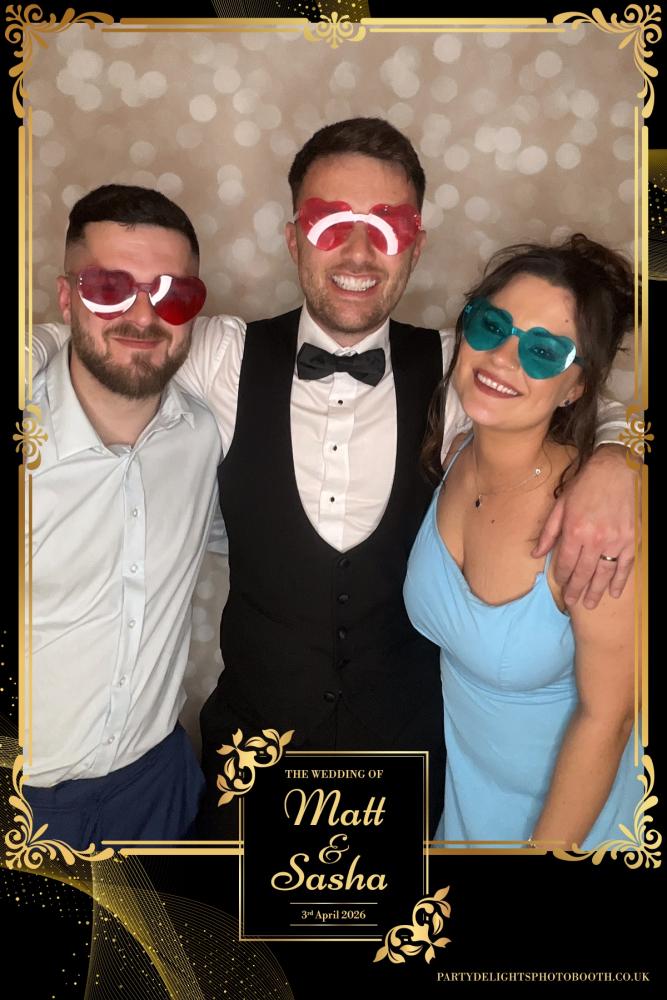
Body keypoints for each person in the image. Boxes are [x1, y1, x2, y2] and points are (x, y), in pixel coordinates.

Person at [32, 120, 636, 840]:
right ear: (294, 239)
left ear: (415, 246)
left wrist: (616, 463)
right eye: (327, 223)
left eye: (387, 227)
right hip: (251, 767)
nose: (357, 252)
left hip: (413, 770)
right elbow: (95, 338)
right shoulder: (218, 354)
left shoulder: (467, 367)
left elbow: (576, 392)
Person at [404, 235, 639, 847]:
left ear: (576, 387)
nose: (503, 357)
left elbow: (610, 719)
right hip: (467, 806)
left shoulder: (594, 526)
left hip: (571, 829)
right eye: (491, 325)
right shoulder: (455, 447)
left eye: (542, 351)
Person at [24, 184, 220, 847]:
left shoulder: (206, 435)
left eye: (172, 294)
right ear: (66, 298)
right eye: (108, 288)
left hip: (157, 789)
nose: (143, 315)